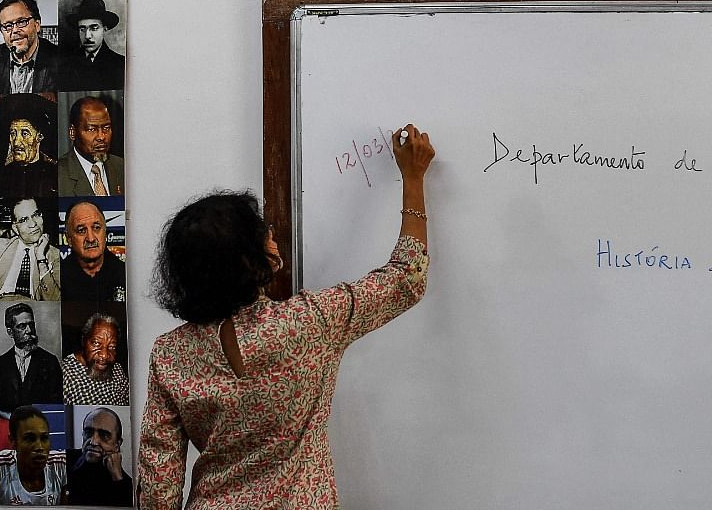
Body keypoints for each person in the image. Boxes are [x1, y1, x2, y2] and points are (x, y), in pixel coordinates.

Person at [138, 123, 434, 508]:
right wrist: (413, 177)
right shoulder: (309, 322)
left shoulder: (169, 355)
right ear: (249, 260)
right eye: (265, 233)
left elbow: (158, 489)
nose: (272, 237)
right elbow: (407, 277)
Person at [0, 303, 63, 412]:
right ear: (10, 332)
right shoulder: (2, 363)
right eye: (22, 326)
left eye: (31, 325)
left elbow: (57, 404)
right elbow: (0, 404)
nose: (29, 330)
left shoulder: (50, 361)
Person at [0, 198, 61, 301]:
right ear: (15, 228)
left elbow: (55, 300)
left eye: (36, 215)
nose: (33, 224)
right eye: (24, 220)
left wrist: (41, 260)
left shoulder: (55, 255)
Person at [0, 405, 67, 505]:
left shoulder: (60, 464)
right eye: (30, 439)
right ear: (13, 441)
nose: (39, 447)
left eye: (44, 438)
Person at [63, 407, 132, 507]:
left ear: (117, 444)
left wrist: (117, 478)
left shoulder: (124, 484)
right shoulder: (66, 459)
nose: (93, 441)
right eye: (88, 432)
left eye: (104, 435)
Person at [56, 96, 124, 197]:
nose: (101, 137)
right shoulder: (58, 175)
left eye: (106, 128)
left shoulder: (122, 167)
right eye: (92, 129)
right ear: (73, 133)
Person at [0, 0, 60, 93]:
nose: (15, 30)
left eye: (22, 22)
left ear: (37, 25)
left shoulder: (59, 59)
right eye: (8, 26)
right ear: (2, 31)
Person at [60, 200, 126, 303]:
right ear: (69, 239)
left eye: (96, 228)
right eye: (81, 230)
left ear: (105, 232)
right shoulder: (58, 278)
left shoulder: (125, 274)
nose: (91, 239)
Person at [0, 94, 57, 198]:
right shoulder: (2, 178)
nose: (16, 142)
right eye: (13, 133)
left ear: (39, 136)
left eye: (25, 134)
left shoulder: (54, 175)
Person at [61, 313, 128, 405]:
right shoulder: (65, 374)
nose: (104, 355)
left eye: (112, 347)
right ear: (83, 340)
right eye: (96, 343)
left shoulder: (117, 370)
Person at [59, 0, 125, 91]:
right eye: (82, 29)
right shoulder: (66, 65)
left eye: (94, 28)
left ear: (105, 28)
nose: (87, 36)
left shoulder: (120, 64)